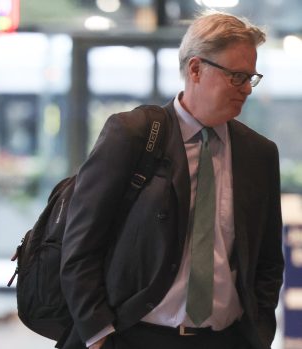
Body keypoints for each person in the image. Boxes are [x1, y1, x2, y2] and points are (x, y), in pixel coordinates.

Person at [60, 11, 283, 349]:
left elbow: (266, 259)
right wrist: (97, 332)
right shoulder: (133, 136)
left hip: (227, 339)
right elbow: (80, 245)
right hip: (136, 336)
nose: (247, 89)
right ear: (195, 69)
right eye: (237, 76)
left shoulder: (259, 154)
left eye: (251, 78)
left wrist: (259, 333)